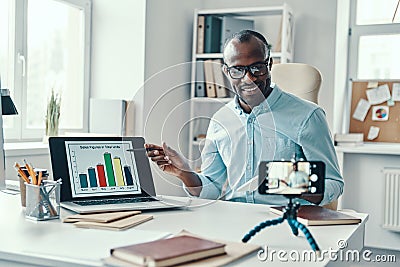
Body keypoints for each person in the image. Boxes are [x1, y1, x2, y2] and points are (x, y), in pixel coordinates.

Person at [146, 30, 343, 206]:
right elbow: (212, 190)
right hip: (235, 219)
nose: (249, 79)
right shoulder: (220, 121)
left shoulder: (308, 116)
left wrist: (288, 180)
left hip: (287, 220)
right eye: (238, 70)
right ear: (226, 71)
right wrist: (185, 173)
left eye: (257, 68)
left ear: (270, 64)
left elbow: (334, 184)